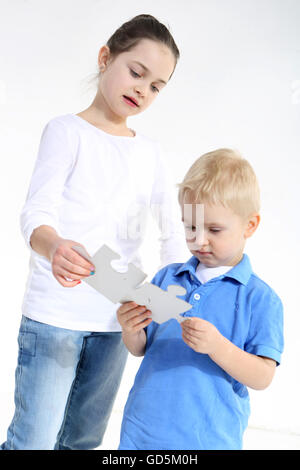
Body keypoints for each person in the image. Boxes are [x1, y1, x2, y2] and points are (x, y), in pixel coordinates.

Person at [1, 14, 188, 450]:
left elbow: (170, 233)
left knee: (83, 440)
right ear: (106, 58)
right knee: (33, 440)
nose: (143, 89)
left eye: (157, 86)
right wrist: (55, 246)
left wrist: (179, 290)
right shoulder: (66, 132)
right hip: (54, 318)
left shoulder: (151, 154)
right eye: (136, 72)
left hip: (118, 321)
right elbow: (35, 214)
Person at [117, 148, 284, 450]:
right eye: (191, 226)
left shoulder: (260, 299)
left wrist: (217, 347)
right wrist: (131, 329)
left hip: (209, 440)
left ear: (250, 225)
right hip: (141, 432)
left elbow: (262, 377)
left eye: (214, 229)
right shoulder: (167, 278)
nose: (199, 239)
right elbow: (141, 348)